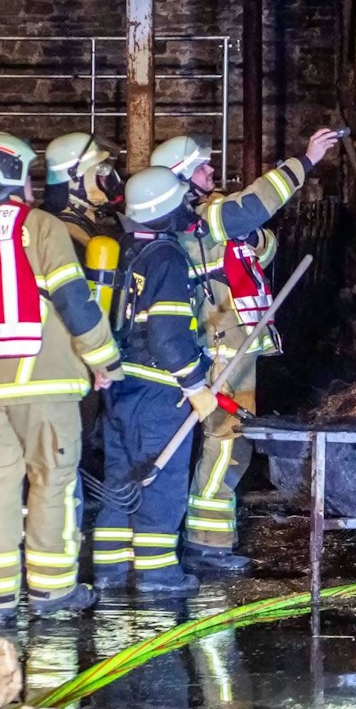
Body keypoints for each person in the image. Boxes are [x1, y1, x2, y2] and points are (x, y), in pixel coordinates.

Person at [0, 131, 122, 624]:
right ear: (13, 172)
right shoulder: (38, 226)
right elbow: (74, 300)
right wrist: (103, 360)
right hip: (45, 385)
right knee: (53, 485)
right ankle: (52, 591)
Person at [150, 127, 341, 573]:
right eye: (201, 166)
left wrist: (256, 240)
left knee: (226, 442)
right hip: (222, 349)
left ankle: (205, 539)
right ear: (181, 179)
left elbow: (257, 248)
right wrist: (305, 161)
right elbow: (256, 205)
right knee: (227, 442)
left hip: (232, 343)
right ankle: (207, 544)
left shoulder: (211, 221)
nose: (211, 169)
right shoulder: (209, 215)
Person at [92, 166, 223, 598]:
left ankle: (109, 568)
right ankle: (158, 573)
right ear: (167, 208)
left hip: (120, 386)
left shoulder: (129, 250)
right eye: (181, 200)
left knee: (122, 478)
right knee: (161, 483)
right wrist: (194, 386)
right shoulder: (166, 257)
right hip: (158, 391)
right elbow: (167, 335)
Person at [42, 131, 122, 248]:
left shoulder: (85, 223)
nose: (105, 179)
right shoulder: (64, 237)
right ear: (74, 182)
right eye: (96, 173)